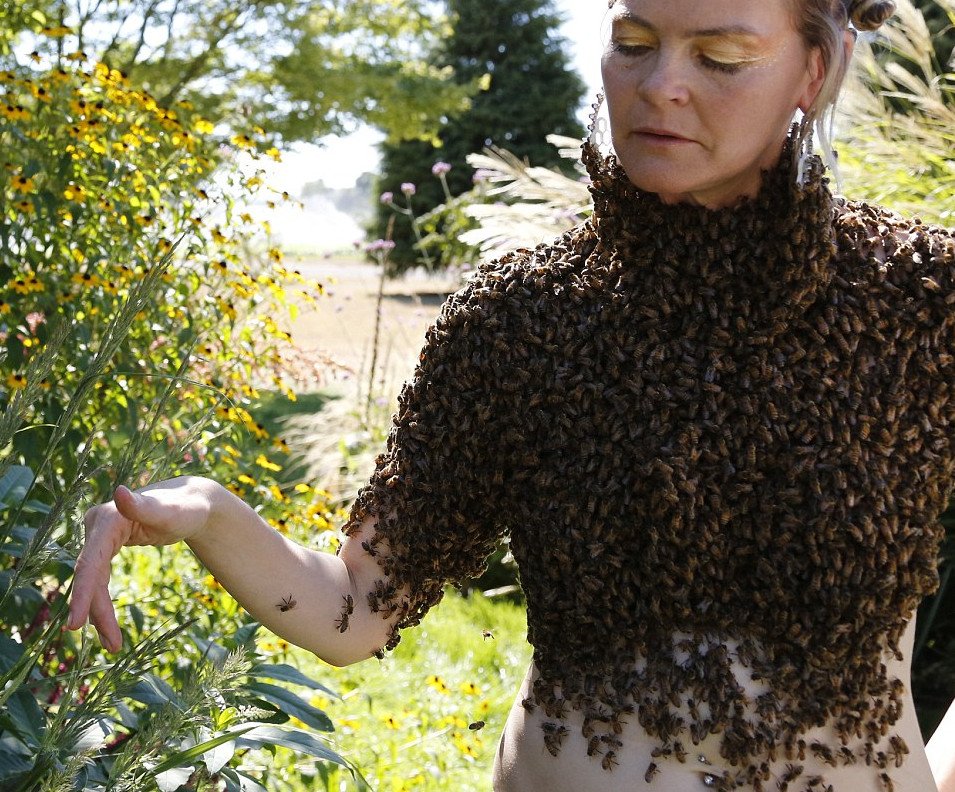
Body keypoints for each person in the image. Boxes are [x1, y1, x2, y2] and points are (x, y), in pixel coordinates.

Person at [69, 0, 954, 790]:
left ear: (814, 68)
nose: (660, 86)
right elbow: (356, 609)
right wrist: (207, 514)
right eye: (632, 43)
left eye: (719, 57)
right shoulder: (519, 317)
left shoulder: (925, 304)